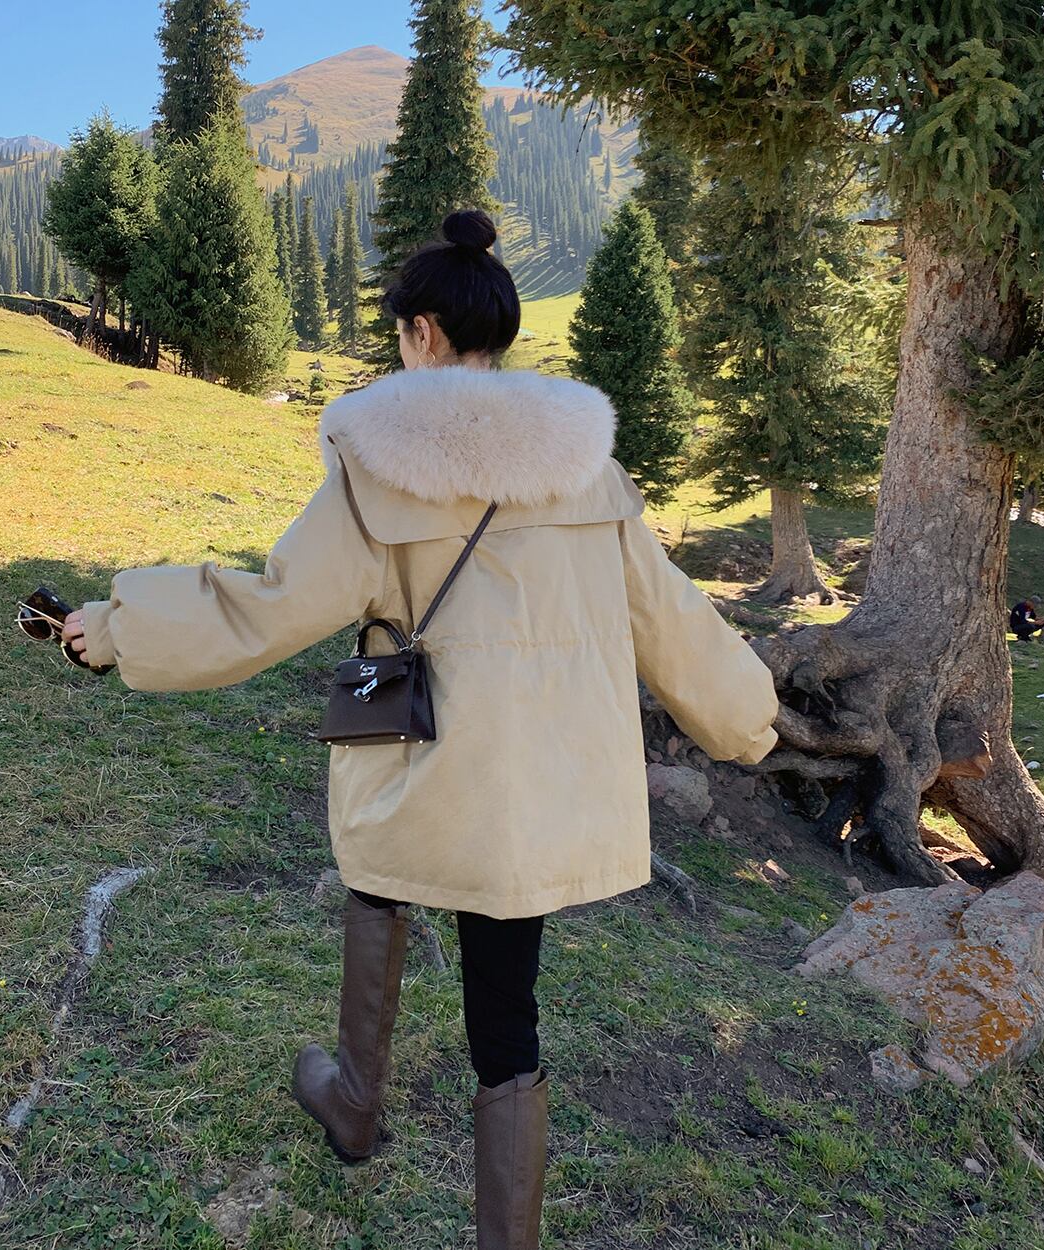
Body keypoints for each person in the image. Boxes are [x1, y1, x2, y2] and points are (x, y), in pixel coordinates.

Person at [62, 209, 779, 1250]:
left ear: (425, 332)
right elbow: (667, 615)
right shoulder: (590, 470)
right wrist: (750, 718)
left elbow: (268, 605)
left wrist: (117, 628)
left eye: (402, 332)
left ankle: (355, 1102)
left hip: (414, 760)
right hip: (538, 792)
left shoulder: (379, 466)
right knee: (507, 1007)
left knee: (381, 867)